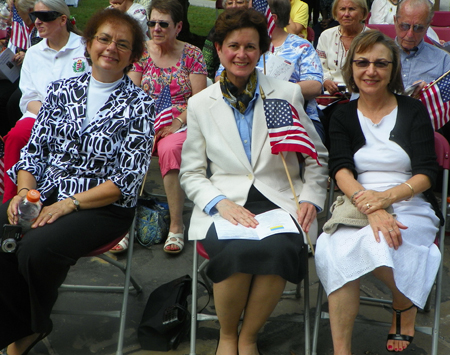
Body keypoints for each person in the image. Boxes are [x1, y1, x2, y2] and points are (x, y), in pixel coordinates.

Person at [0, 8, 154, 355]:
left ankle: (31, 328)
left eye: (123, 44)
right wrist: (24, 191)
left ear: (133, 56)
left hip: (103, 205)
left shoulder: (140, 105)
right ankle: (16, 322)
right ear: (88, 43)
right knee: (3, 229)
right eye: (104, 38)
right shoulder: (59, 92)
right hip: (48, 191)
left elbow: (125, 180)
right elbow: (33, 153)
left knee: (36, 248)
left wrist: (66, 205)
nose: (111, 48)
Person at [180, 8, 328, 355]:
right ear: (218, 49)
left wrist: (311, 198)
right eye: (233, 46)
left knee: (280, 250)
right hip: (226, 201)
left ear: (262, 50)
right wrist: (219, 203)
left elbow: (316, 157)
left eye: (250, 46)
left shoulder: (286, 94)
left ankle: (248, 338)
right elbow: (190, 172)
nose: (241, 54)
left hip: (280, 198)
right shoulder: (201, 104)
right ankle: (227, 337)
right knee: (236, 249)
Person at [315, 30, 441, 354]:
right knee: (336, 249)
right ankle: (342, 349)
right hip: (357, 198)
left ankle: (402, 305)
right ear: (352, 68)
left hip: (409, 199)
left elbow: (428, 172)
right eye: (362, 62)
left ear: (392, 70)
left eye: (380, 64)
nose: (371, 71)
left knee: (388, 241)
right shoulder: (341, 114)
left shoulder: (413, 110)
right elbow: (340, 169)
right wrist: (370, 206)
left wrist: (386, 199)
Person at [128, 0, 207, 254]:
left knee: (170, 147)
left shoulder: (192, 54)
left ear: (178, 26)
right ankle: (122, 226)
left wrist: (177, 122)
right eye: (152, 23)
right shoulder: (141, 52)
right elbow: (132, 95)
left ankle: (176, 225)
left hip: (183, 120)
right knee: (126, 143)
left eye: (164, 24)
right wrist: (144, 128)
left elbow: (199, 100)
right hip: (148, 119)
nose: (156, 29)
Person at [2, 0, 89, 203]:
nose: (38, 22)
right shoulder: (33, 53)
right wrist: (49, 117)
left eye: (45, 17)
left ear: (63, 20)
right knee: (15, 136)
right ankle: (10, 203)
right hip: (40, 116)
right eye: (34, 16)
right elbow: (28, 97)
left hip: (77, 119)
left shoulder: (84, 49)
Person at [257, 0, 324, 141]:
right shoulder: (249, 46)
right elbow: (221, 77)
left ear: (271, 17)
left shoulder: (302, 47)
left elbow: (315, 86)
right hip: (256, 118)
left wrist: (273, 89)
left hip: (299, 118)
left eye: (254, 13)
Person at [393, 0, 450, 97]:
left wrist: (431, 94)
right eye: (404, 26)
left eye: (418, 28)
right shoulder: (377, 55)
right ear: (395, 21)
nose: (410, 34)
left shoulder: (443, 60)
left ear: (428, 26)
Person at [316, 0, 368, 95]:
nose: (346, 14)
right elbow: (318, 67)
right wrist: (325, 81)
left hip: (363, 94)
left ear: (362, 13)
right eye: (342, 9)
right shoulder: (326, 36)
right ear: (335, 13)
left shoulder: (372, 38)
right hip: (331, 95)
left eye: (351, 9)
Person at [203, 0, 250, 81]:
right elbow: (206, 63)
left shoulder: (255, 29)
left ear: (248, 4)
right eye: (230, 3)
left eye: (239, 2)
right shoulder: (216, 31)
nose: (234, 6)